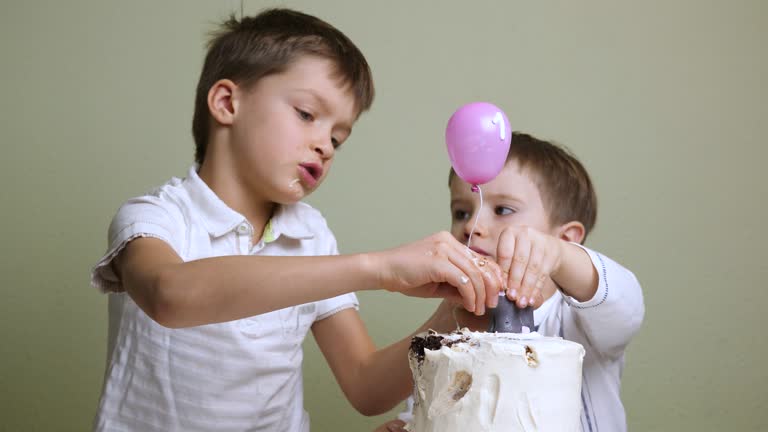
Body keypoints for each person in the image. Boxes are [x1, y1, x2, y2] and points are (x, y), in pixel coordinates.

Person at [89, 9, 507, 432]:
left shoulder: (310, 235)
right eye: (307, 114)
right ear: (227, 103)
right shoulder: (155, 217)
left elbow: (366, 386)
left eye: (338, 138)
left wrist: (454, 319)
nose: (325, 145)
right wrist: (380, 267)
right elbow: (169, 295)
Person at [377, 131, 645, 432]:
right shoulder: (452, 324)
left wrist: (560, 256)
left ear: (566, 238)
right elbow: (437, 404)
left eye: (503, 210)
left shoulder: (582, 322)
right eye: (461, 212)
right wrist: (407, 425)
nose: (471, 226)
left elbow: (627, 305)